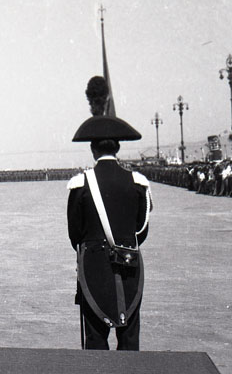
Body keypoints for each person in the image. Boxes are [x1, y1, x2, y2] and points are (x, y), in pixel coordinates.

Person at [67, 76, 152, 351]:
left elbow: (74, 234)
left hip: (93, 269)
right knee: (129, 339)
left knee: (95, 339)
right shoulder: (137, 182)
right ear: (118, 147)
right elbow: (142, 230)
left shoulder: (80, 184)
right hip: (130, 266)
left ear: (93, 148)